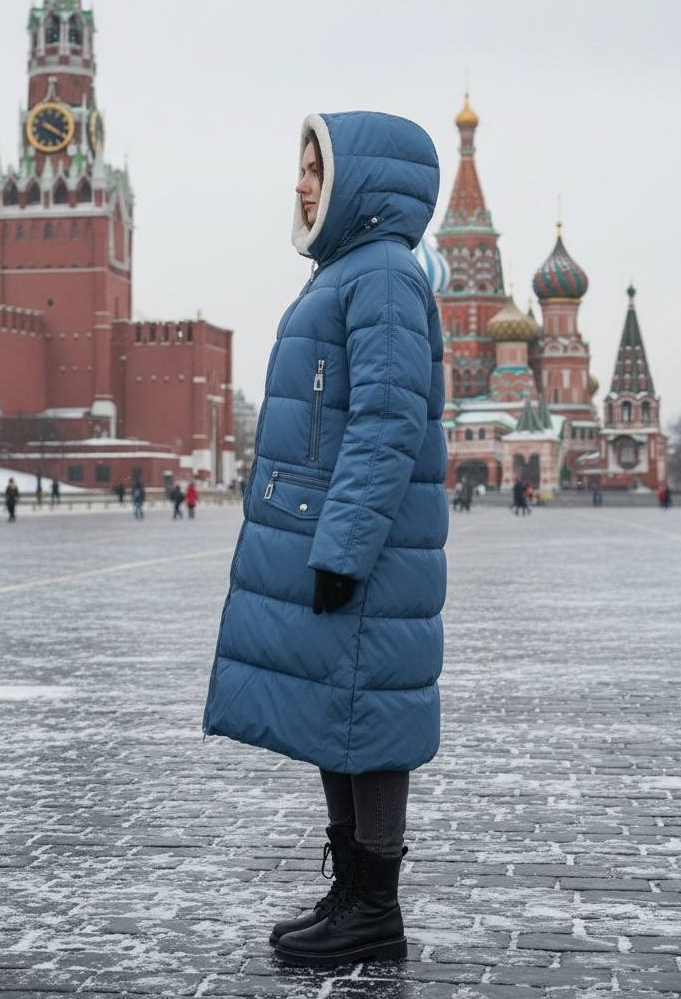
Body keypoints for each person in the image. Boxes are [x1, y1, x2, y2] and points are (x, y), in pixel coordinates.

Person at [203, 112, 446, 967]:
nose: (301, 185)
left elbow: (386, 422)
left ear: (364, 185)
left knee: (368, 718)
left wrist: (343, 548)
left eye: (316, 168)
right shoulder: (349, 273)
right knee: (339, 715)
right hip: (335, 535)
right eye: (301, 167)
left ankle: (375, 909)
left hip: (365, 549)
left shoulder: (380, 278)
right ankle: (352, 895)